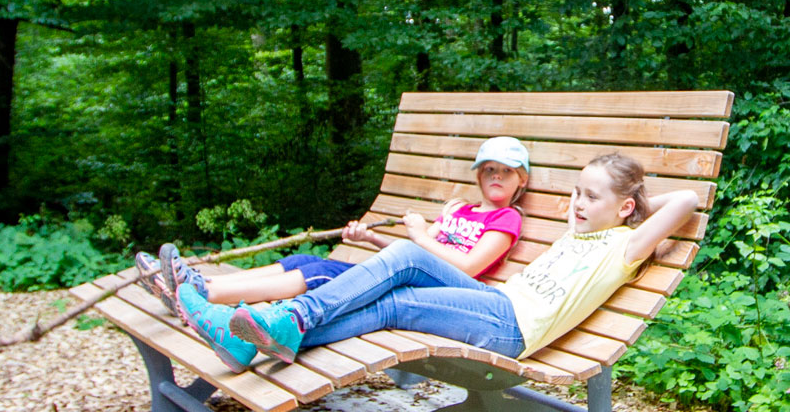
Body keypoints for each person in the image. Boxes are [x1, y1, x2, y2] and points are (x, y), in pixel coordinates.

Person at [175, 152, 699, 373]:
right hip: (495, 301)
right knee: (405, 253)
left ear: (626, 208)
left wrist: (638, 214)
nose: (576, 204)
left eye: (590, 197)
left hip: (511, 326)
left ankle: (276, 326)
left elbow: (686, 200)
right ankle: (281, 326)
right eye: (575, 193)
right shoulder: (577, 231)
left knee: (394, 305)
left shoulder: (621, 247)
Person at [136, 136, 530, 314]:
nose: (496, 177)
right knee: (308, 262)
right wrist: (373, 237)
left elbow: (466, 267)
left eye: (506, 172)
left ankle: (201, 296)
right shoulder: (458, 210)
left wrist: (417, 235)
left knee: (323, 274)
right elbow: (413, 255)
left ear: (521, 181)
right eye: (489, 170)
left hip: (438, 296)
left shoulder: (506, 218)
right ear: (478, 175)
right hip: (405, 275)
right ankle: (198, 285)